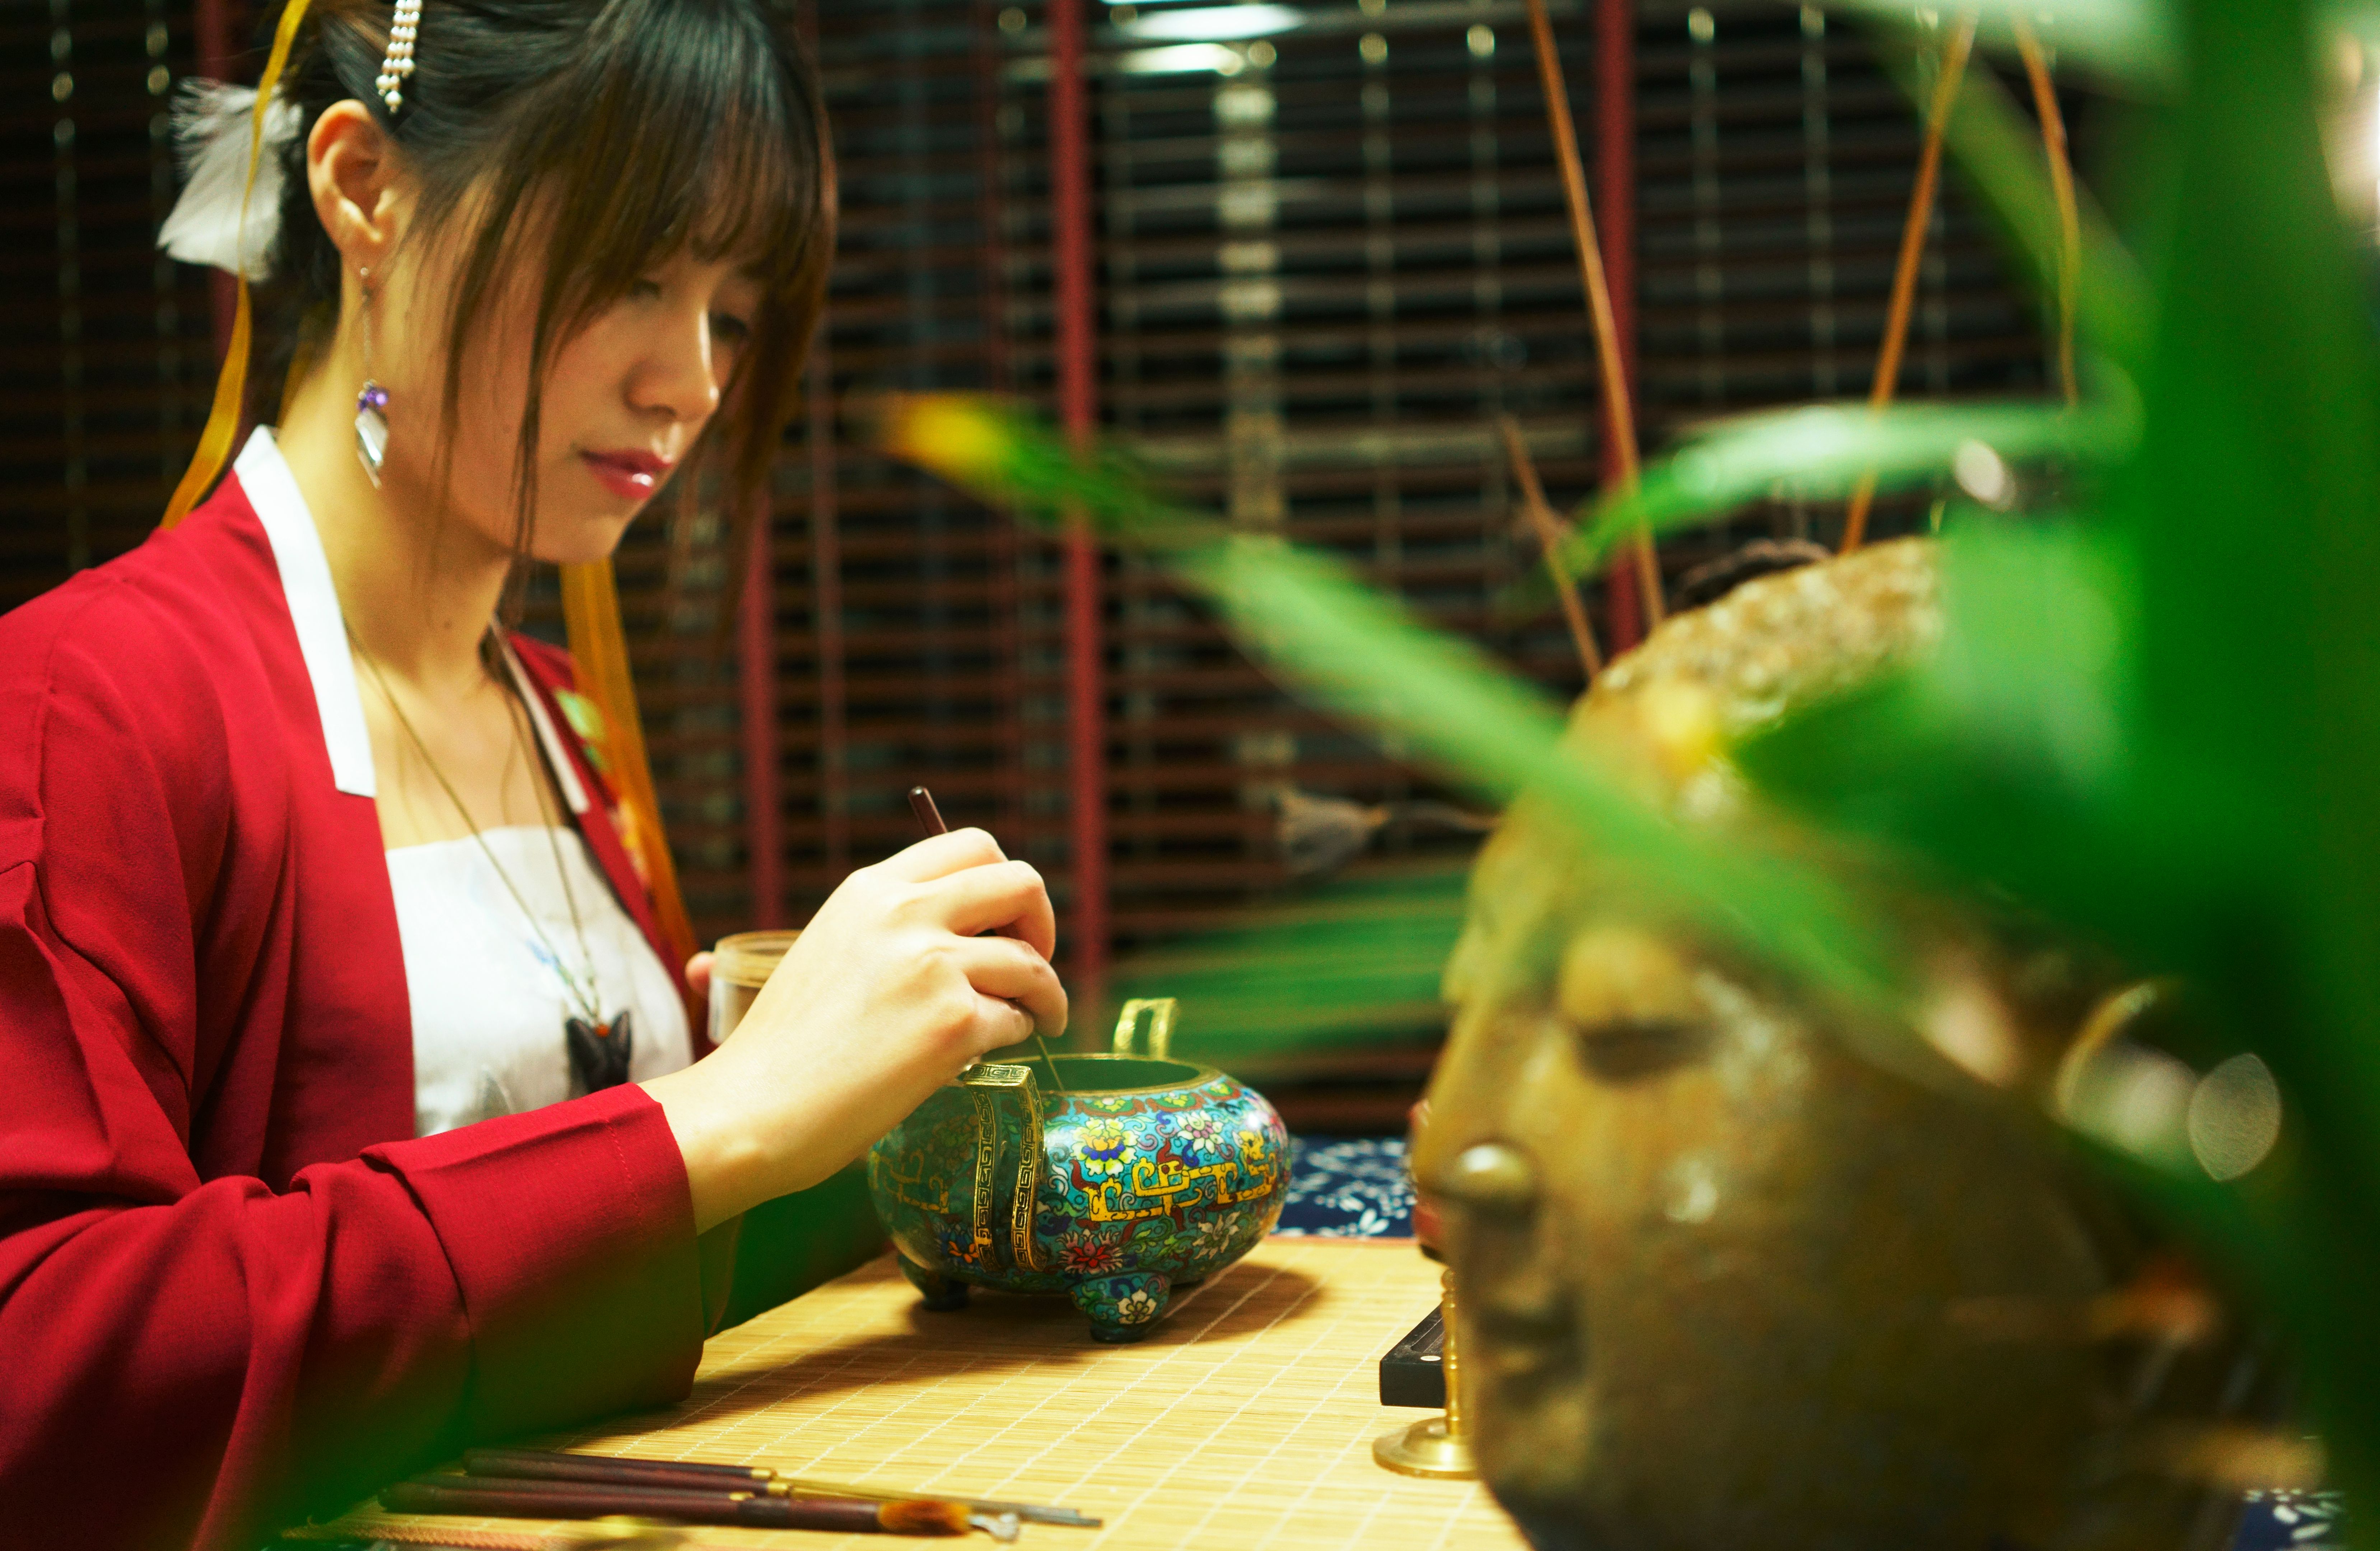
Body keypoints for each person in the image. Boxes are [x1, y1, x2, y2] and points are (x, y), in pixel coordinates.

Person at [0, 3, 1067, 1546]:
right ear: (365, 189)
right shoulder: (90, 700)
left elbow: (604, 1263)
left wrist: (887, 1092)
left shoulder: (558, 719)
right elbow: (44, 1366)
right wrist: (719, 1116)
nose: (688, 380)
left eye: (731, 310)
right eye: (633, 270)